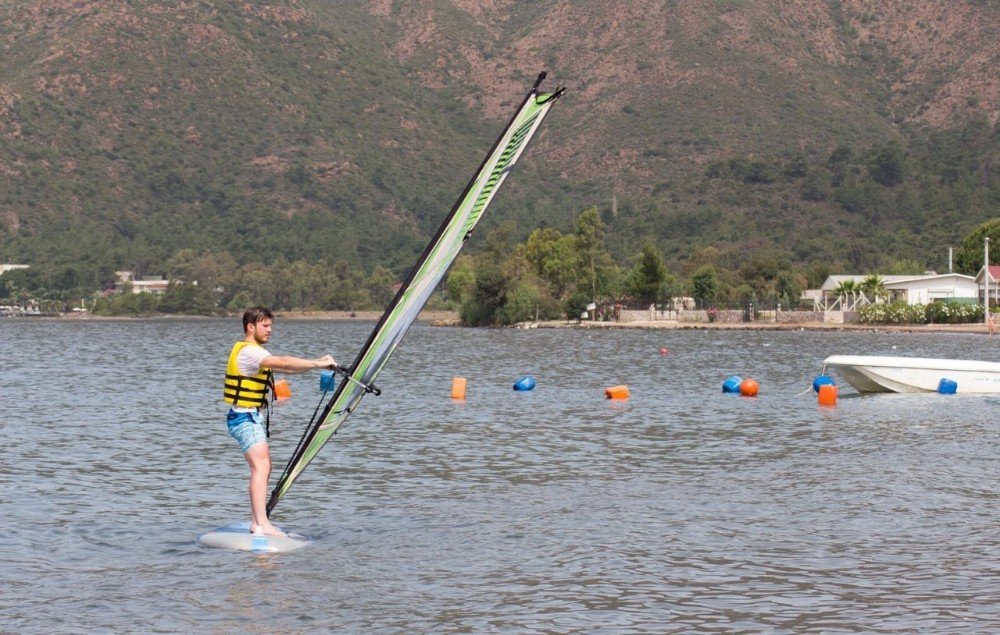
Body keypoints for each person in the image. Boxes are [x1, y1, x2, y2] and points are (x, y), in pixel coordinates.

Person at [224, 306, 335, 536]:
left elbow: (287, 368)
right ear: (250, 327)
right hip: (244, 417)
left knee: (264, 467)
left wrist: (317, 363)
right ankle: (261, 524)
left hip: (249, 416)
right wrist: (317, 364)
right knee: (261, 467)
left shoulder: (255, 353)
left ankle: (258, 521)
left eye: (271, 325)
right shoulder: (250, 352)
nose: (270, 330)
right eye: (265, 325)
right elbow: (284, 361)